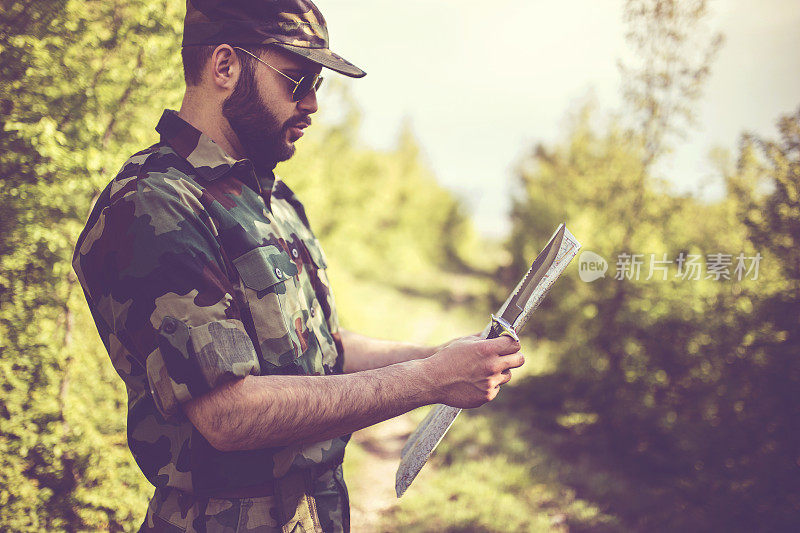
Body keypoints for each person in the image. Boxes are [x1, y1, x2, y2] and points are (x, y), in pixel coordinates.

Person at [72, 1, 524, 531]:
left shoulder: (275, 201)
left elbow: (327, 346)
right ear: (225, 66)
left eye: (319, 84)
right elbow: (228, 415)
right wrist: (429, 380)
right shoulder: (155, 203)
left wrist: (445, 358)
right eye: (297, 79)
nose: (312, 102)